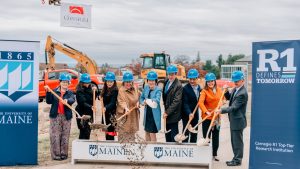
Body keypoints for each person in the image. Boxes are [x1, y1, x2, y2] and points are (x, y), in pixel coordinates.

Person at [216, 71, 248, 166]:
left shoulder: (242, 93)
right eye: (234, 81)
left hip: (238, 121)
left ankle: (237, 160)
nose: (235, 82)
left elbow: (234, 107)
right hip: (234, 120)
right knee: (234, 141)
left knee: (237, 142)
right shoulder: (236, 89)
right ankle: (235, 158)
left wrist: (221, 110)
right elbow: (230, 98)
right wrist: (225, 91)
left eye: (237, 81)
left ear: (243, 80)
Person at [45, 73, 75, 161]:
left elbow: (72, 99)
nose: (65, 84)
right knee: (55, 135)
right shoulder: (54, 91)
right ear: (60, 82)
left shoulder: (70, 92)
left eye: (67, 82)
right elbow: (48, 101)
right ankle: (56, 155)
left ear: (69, 83)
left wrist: (67, 100)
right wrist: (48, 92)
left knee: (65, 135)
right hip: (55, 116)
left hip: (66, 116)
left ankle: (64, 154)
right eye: (63, 82)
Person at [199, 72, 223, 161]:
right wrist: (206, 111)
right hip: (207, 118)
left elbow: (223, 99)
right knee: (206, 136)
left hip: (216, 118)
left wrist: (222, 102)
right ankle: (206, 155)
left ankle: (214, 154)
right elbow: (200, 103)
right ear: (206, 82)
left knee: (216, 137)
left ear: (214, 81)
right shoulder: (204, 91)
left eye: (212, 81)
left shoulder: (219, 90)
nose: (210, 83)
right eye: (208, 81)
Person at [116, 72, 140, 142]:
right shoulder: (121, 90)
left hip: (133, 115)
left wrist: (138, 102)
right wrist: (126, 108)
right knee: (123, 134)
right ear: (124, 82)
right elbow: (121, 101)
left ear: (132, 81)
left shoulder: (135, 88)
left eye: (129, 81)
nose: (128, 83)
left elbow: (139, 96)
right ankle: (122, 149)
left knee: (132, 134)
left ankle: (131, 150)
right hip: (124, 114)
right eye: (126, 82)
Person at [162, 65, 183, 142]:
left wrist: (167, 112)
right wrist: (166, 112)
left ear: (175, 74)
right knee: (167, 136)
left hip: (174, 114)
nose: (170, 76)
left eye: (172, 74)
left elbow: (176, 101)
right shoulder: (166, 81)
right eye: (169, 74)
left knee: (173, 136)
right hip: (167, 113)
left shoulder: (178, 85)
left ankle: (173, 151)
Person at [140, 71, 162, 142]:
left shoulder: (158, 90)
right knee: (146, 132)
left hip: (154, 115)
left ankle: (153, 149)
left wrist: (147, 101)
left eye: (153, 80)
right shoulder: (146, 88)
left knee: (152, 133)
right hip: (147, 114)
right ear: (147, 81)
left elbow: (157, 100)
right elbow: (141, 98)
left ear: (155, 81)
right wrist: (143, 102)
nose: (151, 82)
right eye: (149, 80)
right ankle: (147, 149)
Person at [75, 73, 98, 140]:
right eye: (85, 83)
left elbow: (94, 98)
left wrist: (96, 91)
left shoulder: (90, 88)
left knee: (88, 130)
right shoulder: (79, 91)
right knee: (83, 130)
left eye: (88, 82)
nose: (87, 84)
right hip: (81, 112)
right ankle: (81, 147)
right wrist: (90, 107)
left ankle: (85, 145)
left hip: (89, 111)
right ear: (82, 82)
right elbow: (82, 102)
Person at [182, 69, 201, 143]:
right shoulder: (185, 89)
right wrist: (189, 113)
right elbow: (185, 103)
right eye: (190, 79)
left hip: (195, 114)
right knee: (186, 134)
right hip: (187, 115)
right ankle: (185, 150)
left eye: (194, 79)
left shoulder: (199, 88)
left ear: (197, 78)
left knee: (194, 134)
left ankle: (193, 150)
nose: (192, 81)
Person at [100, 72, 118, 140]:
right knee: (106, 132)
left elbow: (113, 103)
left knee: (110, 133)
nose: (109, 83)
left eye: (111, 82)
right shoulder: (105, 90)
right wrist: (99, 96)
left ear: (114, 82)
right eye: (108, 81)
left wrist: (106, 108)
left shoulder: (115, 91)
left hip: (111, 114)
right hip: (105, 113)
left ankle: (111, 146)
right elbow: (102, 97)